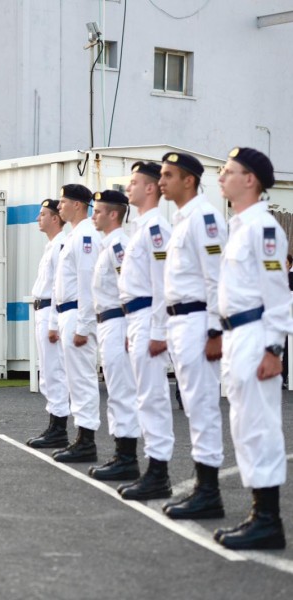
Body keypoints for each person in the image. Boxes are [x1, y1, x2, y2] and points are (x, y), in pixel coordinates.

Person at [213, 147, 291, 549]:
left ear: (251, 180)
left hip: (256, 335)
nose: (220, 177)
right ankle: (259, 514)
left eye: (228, 171)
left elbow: (277, 295)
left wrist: (274, 349)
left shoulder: (263, 229)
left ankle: (268, 520)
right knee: (244, 426)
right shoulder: (239, 226)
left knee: (260, 427)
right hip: (236, 335)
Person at [159, 151, 227, 520]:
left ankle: (209, 492)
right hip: (181, 323)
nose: (162, 181)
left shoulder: (205, 218)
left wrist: (216, 330)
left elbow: (217, 277)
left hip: (200, 322)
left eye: (169, 175)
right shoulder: (184, 219)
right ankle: (204, 488)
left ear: (189, 180)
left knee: (202, 408)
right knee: (194, 407)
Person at [117, 161, 175, 501]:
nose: (129, 187)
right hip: (136, 319)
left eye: (135, 182)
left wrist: (157, 330)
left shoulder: (156, 229)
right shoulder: (141, 227)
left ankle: (159, 473)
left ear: (150, 188)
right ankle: (152, 469)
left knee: (153, 398)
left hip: (149, 319)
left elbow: (162, 285)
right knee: (144, 398)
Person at [87, 190, 140, 480]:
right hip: (109, 322)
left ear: (113, 214)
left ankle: (127, 458)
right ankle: (122, 454)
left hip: (119, 322)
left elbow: (127, 284)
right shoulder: (109, 244)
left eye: (97, 211)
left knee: (122, 393)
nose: (93, 216)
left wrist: (130, 327)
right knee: (117, 392)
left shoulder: (119, 244)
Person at [49, 184, 101, 462]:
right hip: (68, 313)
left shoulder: (86, 236)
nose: (59, 207)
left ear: (78, 205)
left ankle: (87, 440)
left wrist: (83, 326)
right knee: (75, 380)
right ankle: (82, 438)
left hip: (79, 313)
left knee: (82, 381)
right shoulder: (75, 235)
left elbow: (87, 282)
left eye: (63, 201)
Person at [26, 199, 70, 449]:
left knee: (54, 372)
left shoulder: (60, 245)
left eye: (42, 214)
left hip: (50, 310)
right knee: (49, 372)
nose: (37, 219)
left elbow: (58, 287)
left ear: (55, 218)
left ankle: (59, 428)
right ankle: (54, 425)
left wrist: (54, 322)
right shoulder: (52, 245)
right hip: (42, 310)